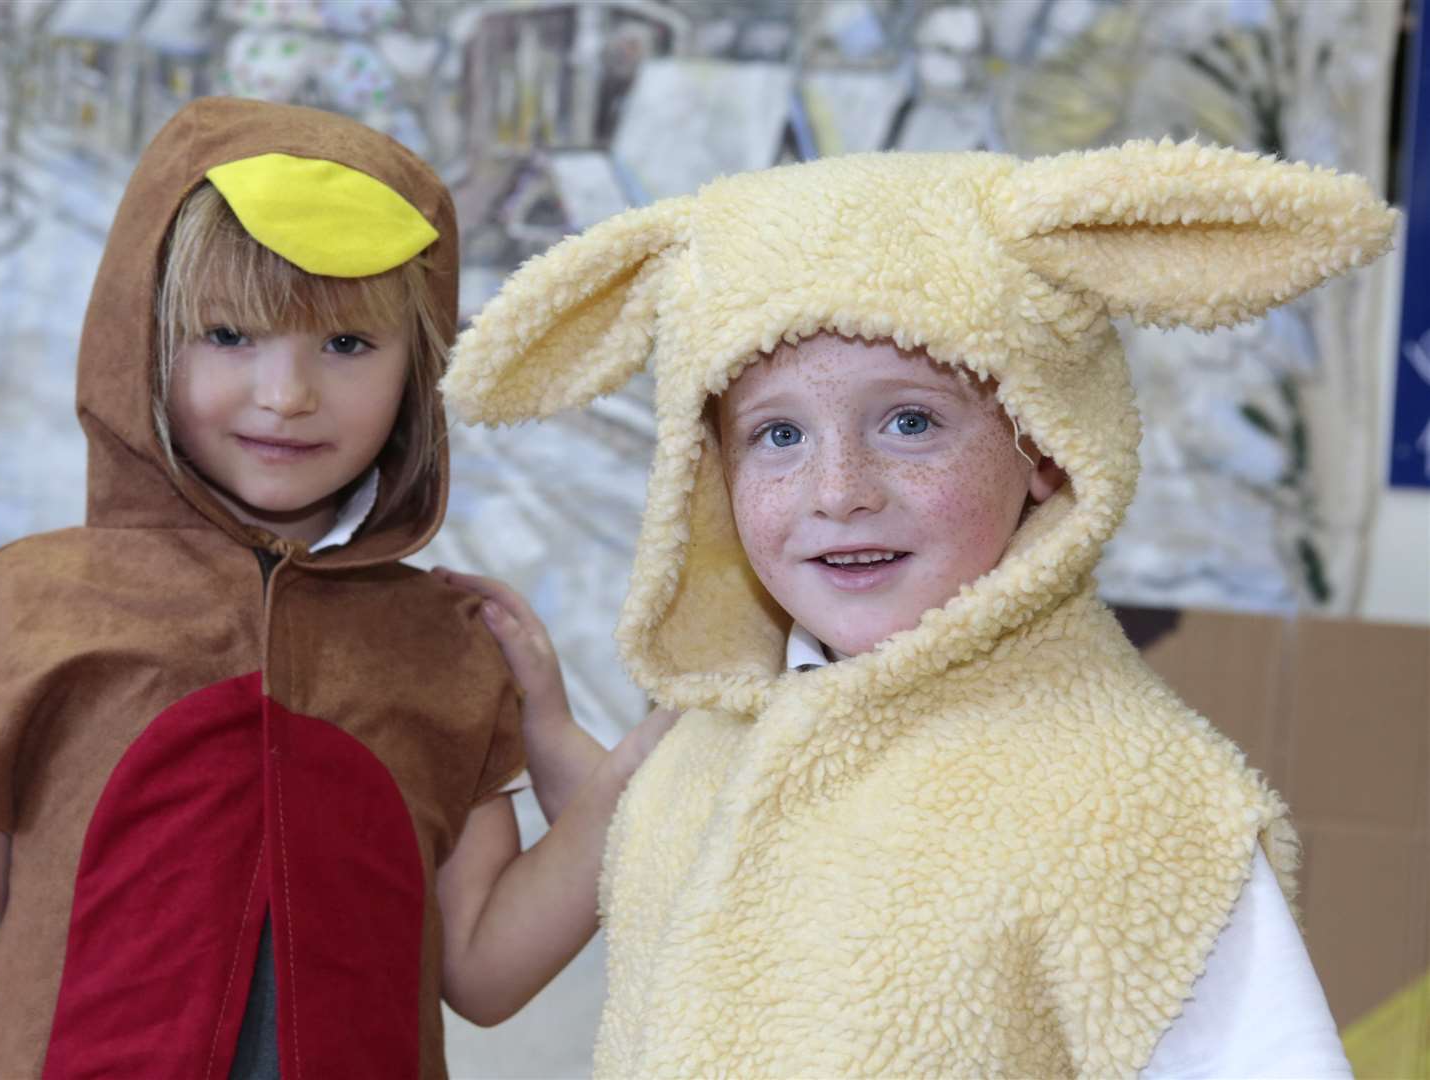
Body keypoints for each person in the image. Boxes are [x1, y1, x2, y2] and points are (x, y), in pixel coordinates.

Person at [438, 140, 1394, 1077]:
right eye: (777, 434)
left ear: (1046, 446)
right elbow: (651, 842)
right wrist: (540, 723)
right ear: (707, 474)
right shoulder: (712, 747)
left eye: (910, 422)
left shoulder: (1138, 805)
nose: (840, 490)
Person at [0, 97, 647, 1080]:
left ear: (419, 367)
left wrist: (633, 767)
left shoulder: (446, 650)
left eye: (347, 345)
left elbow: (482, 967)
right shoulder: (25, 614)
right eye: (228, 334)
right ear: (140, 338)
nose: (286, 393)